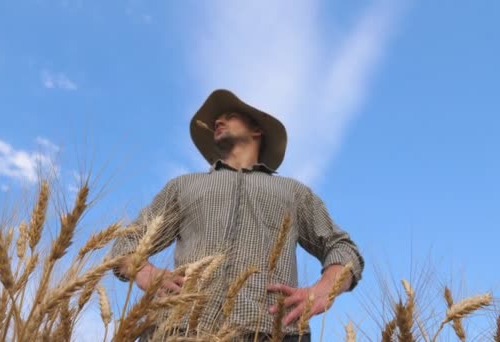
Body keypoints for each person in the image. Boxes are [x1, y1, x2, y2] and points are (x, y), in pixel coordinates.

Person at [110, 89, 364, 341]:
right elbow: (126, 243)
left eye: (229, 115)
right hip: (181, 329)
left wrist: (323, 290)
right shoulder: (183, 186)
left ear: (257, 130)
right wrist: (145, 272)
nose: (217, 121)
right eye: (216, 120)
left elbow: (342, 248)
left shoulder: (293, 191)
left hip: (272, 331)